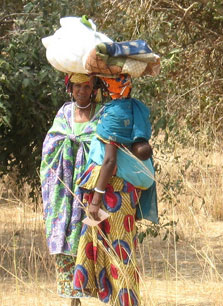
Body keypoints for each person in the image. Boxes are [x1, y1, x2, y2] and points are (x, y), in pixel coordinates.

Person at [72, 74, 158, 305]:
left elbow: (109, 161)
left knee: (119, 254)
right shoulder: (132, 108)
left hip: (112, 194)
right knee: (102, 246)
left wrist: (96, 200)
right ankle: (79, 297)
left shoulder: (115, 113)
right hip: (122, 193)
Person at [41, 73, 103, 306]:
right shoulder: (64, 113)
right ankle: (72, 298)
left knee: (88, 237)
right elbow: (50, 146)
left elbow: (105, 147)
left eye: (86, 86)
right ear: (71, 88)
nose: (81, 91)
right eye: (77, 86)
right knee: (66, 238)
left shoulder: (101, 114)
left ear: (93, 88)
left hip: (90, 190)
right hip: (63, 191)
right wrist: (70, 141)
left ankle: (88, 291)